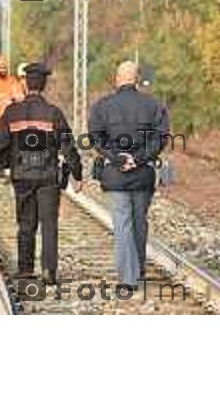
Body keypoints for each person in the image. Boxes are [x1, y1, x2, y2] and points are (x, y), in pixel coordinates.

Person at [0, 63, 82, 285]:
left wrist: (5, 164)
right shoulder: (53, 113)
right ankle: (49, 271)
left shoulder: (12, 113)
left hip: (22, 175)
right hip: (48, 176)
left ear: (25, 84)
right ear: (44, 85)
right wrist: (77, 173)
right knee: (49, 224)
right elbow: (67, 146)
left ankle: (25, 269)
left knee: (25, 223)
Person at [88, 61, 170, 288]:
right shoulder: (154, 105)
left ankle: (128, 279)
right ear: (137, 79)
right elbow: (161, 137)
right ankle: (139, 270)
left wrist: (116, 158)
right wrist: (140, 158)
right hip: (143, 173)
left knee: (122, 224)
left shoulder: (102, 106)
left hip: (115, 174)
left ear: (117, 78)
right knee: (140, 222)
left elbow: (96, 137)